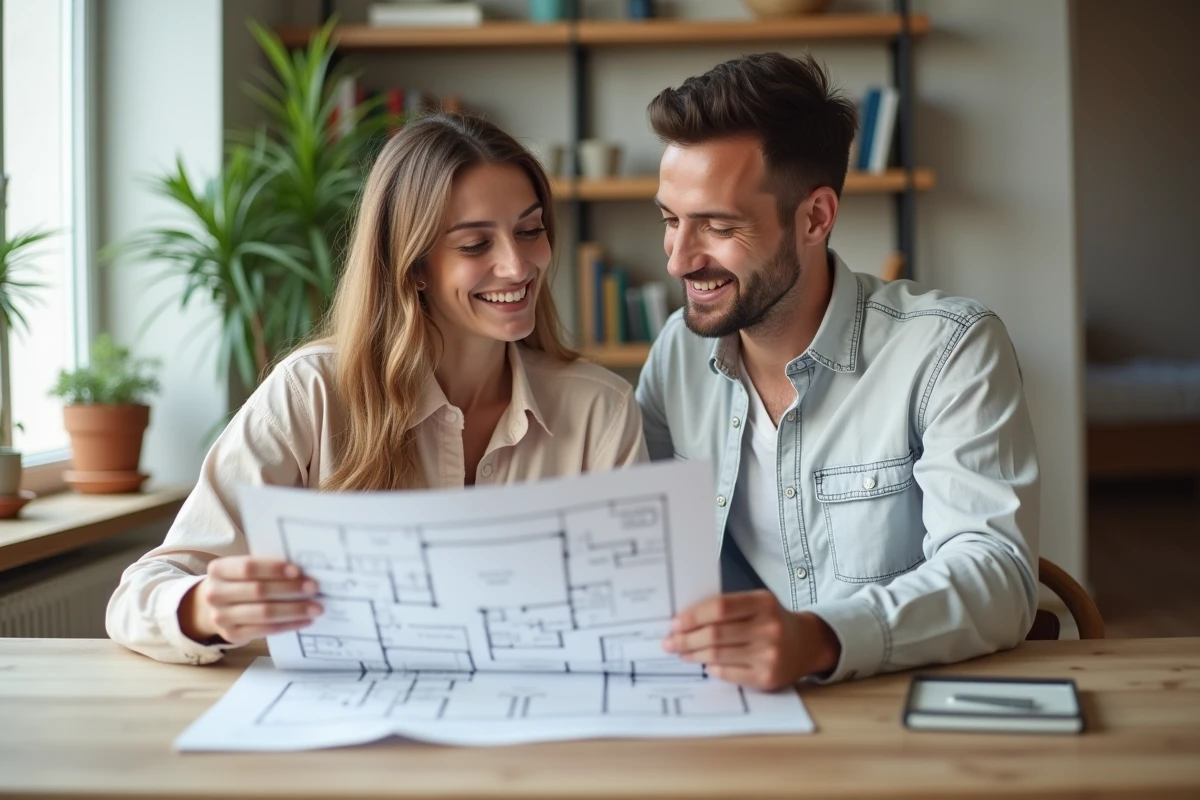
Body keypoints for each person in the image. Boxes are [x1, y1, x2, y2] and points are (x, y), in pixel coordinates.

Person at [108, 114, 647, 665]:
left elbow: (636, 613)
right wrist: (204, 608)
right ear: (413, 265)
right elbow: (141, 594)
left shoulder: (600, 409)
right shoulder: (310, 392)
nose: (517, 265)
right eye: (474, 244)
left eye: (530, 231)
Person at [642, 53, 1040, 690]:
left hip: (897, 702)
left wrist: (819, 639)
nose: (678, 260)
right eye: (670, 221)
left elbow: (997, 576)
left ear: (815, 217)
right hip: (734, 705)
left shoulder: (950, 350)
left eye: (717, 226)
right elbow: (640, 538)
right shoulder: (677, 353)